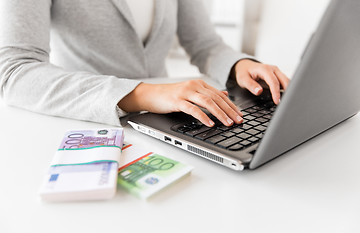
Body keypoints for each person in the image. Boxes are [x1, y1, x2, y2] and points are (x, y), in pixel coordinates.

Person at [0, 0, 289, 127]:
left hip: (167, 123)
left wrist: (239, 65)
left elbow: (204, 43)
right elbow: (15, 70)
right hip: (86, 126)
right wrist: (142, 93)